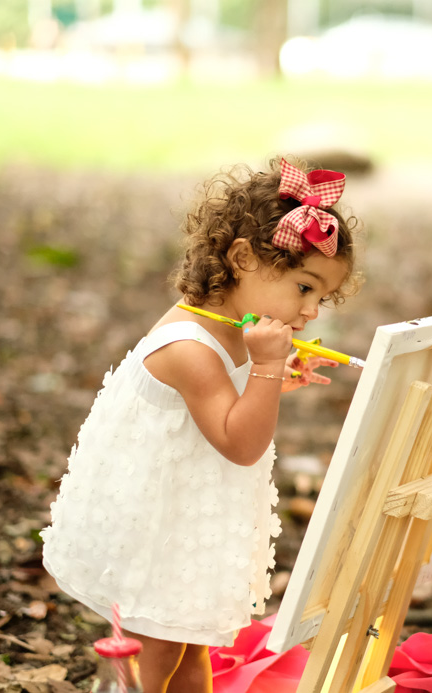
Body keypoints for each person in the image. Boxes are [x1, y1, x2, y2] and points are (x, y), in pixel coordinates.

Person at [41, 156, 360, 692]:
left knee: (190, 641)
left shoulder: (235, 323)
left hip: (189, 510)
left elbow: (223, 406)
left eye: (322, 297)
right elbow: (240, 442)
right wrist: (264, 369)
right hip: (157, 519)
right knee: (158, 648)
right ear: (241, 258)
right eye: (304, 288)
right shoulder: (189, 345)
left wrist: (272, 378)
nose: (312, 312)